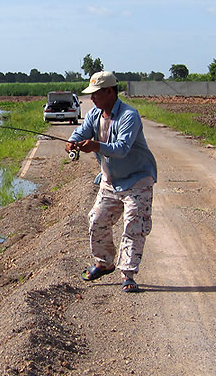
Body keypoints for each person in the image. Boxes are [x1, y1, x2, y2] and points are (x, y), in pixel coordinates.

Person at [65, 71, 157, 292]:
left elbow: (122, 148)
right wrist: (72, 142)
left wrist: (95, 146)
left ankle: (128, 275)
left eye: (96, 94)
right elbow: (81, 131)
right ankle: (104, 263)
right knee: (97, 220)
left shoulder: (129, 116)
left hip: (137, 180)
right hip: (110, 181)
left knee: (134, 224)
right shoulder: (94, 115)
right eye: (91, 95)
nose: (92, 99)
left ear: (109, 92)